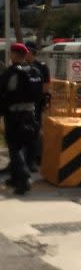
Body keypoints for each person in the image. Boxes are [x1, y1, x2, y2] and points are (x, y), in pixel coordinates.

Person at [0, 44, 43, 194]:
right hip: (31, 114)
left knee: (14, 147)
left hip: (14, 115)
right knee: (25, 144)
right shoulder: (35, 71)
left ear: (14, 54)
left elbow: (4, 93)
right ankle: (14, 177)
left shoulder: (11, 72)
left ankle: (23, 179)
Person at [24, 42, 50, 170]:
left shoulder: (41, 67)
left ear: (31, 52)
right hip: (23, 105)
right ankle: (26, 159)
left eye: (26, 51)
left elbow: (45, 87)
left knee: (35, 131)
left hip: (36, 104)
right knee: (24, 132)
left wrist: (43, 102)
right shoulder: (21, 67)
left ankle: (35, 157)